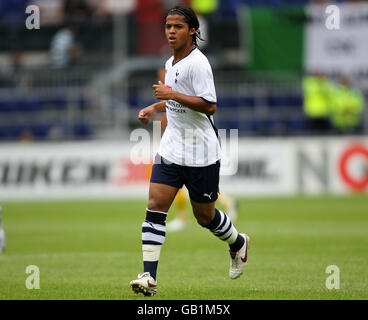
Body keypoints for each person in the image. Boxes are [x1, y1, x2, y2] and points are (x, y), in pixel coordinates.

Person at [130, 5, 250, 297]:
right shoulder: (171, 64)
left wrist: (169, 94)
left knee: (205, 217)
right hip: (172, 146)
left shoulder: (199, 64)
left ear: (192, 30)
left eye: (178, 27)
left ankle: (237, 243)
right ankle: (148, 277)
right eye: (168, 26)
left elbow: (209, 105)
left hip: (201, 152)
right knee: (156, 205)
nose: (171, 31)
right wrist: (155, 107)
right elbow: (176, 102)